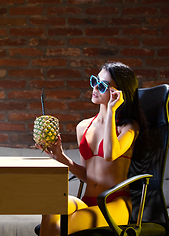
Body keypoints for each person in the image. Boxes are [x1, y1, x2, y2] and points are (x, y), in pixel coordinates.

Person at [36, 62, 146, 235]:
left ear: (119, 93)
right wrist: (61, 156)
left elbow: (110, 154)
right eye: (95, 81)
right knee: (52, 205)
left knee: (58, 229)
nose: (95, 87)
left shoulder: (129, 127)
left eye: (103, 85)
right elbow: (88, 175)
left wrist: (111, 110)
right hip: (87, 200)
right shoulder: (83, 127)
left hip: (115, 204)